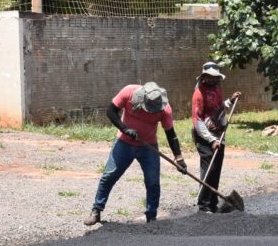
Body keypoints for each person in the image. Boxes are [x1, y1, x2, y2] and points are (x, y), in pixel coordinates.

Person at [83, 82, 186, 226]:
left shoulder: (164, 109)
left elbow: (171, 134)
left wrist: (179, 158)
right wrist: (125, 129)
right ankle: (96, 211)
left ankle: (151, 217)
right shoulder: (128, 92)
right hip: (124, 143)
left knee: (153, 182)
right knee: (109, 175)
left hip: (148, 147)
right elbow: (111, 111)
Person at [191, 62, 241, 213]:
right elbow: (197, 121)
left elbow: (218, 108)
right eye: (210, 77)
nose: (213, 80)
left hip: (219, 134)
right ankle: (203, 205)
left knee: (216, 170)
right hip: (205, 136)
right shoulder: (199, 93)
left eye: (215, 77)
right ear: (204, 77)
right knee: (209, 169)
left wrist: (230, 101)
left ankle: (213, 203)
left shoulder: (217, 89)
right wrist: (211, 140)